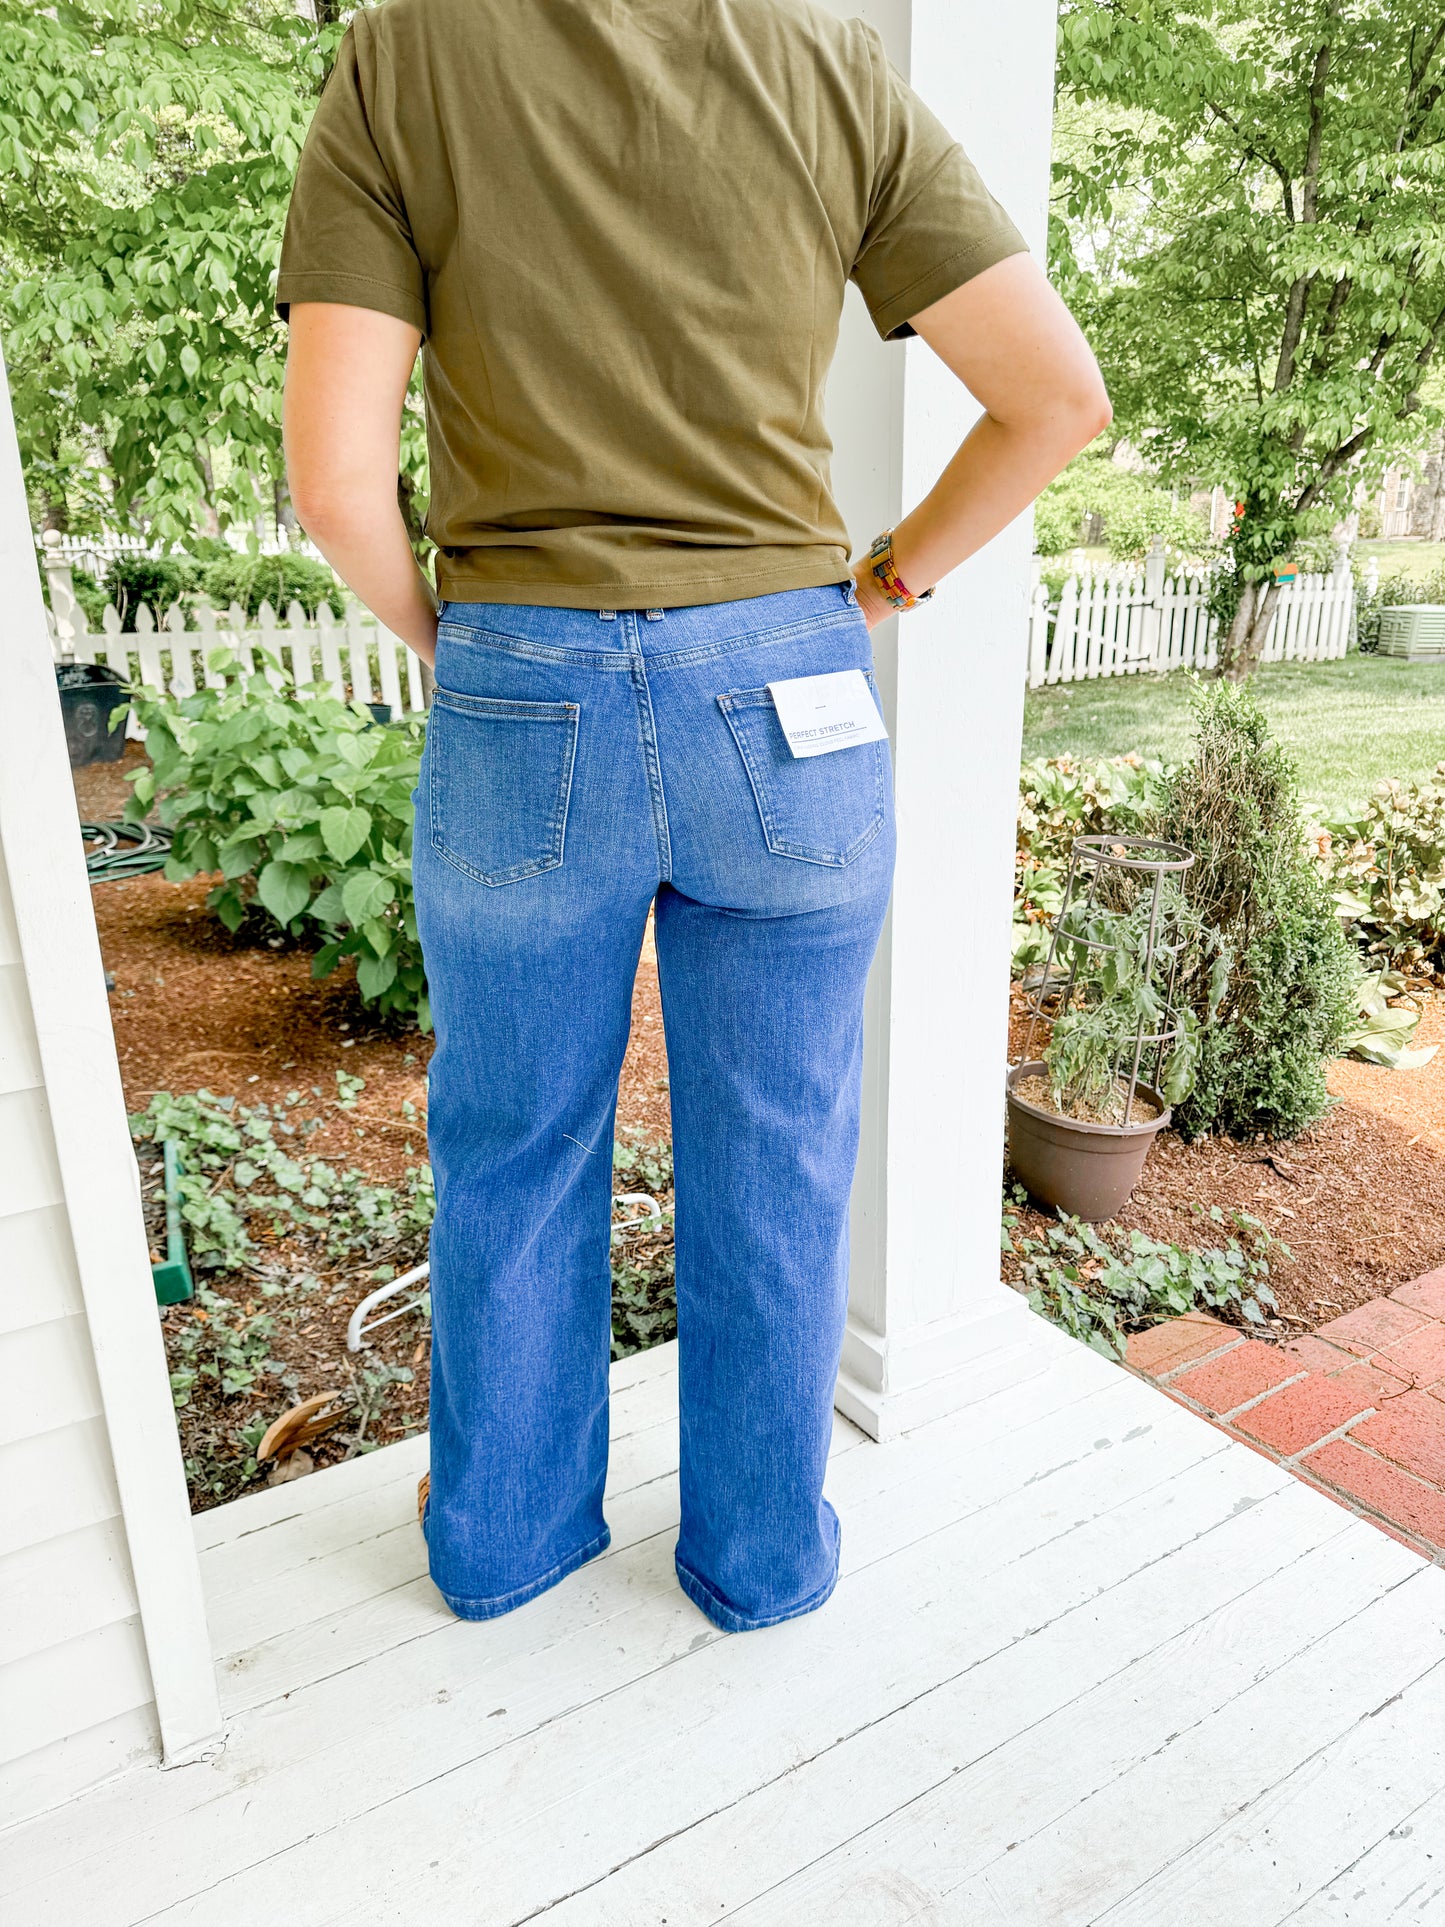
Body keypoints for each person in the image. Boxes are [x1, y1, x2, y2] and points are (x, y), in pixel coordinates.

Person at [278, 0, 1110, 1633]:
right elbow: (1053, 399)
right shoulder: (828, 63)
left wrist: (460, 645)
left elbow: (332, 478)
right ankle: (760, 1556)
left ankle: (503, 1543)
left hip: (530, 667)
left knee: (514, 1145)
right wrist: (884, 579)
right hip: (787, 683)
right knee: (782, 1151)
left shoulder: (405, 52)